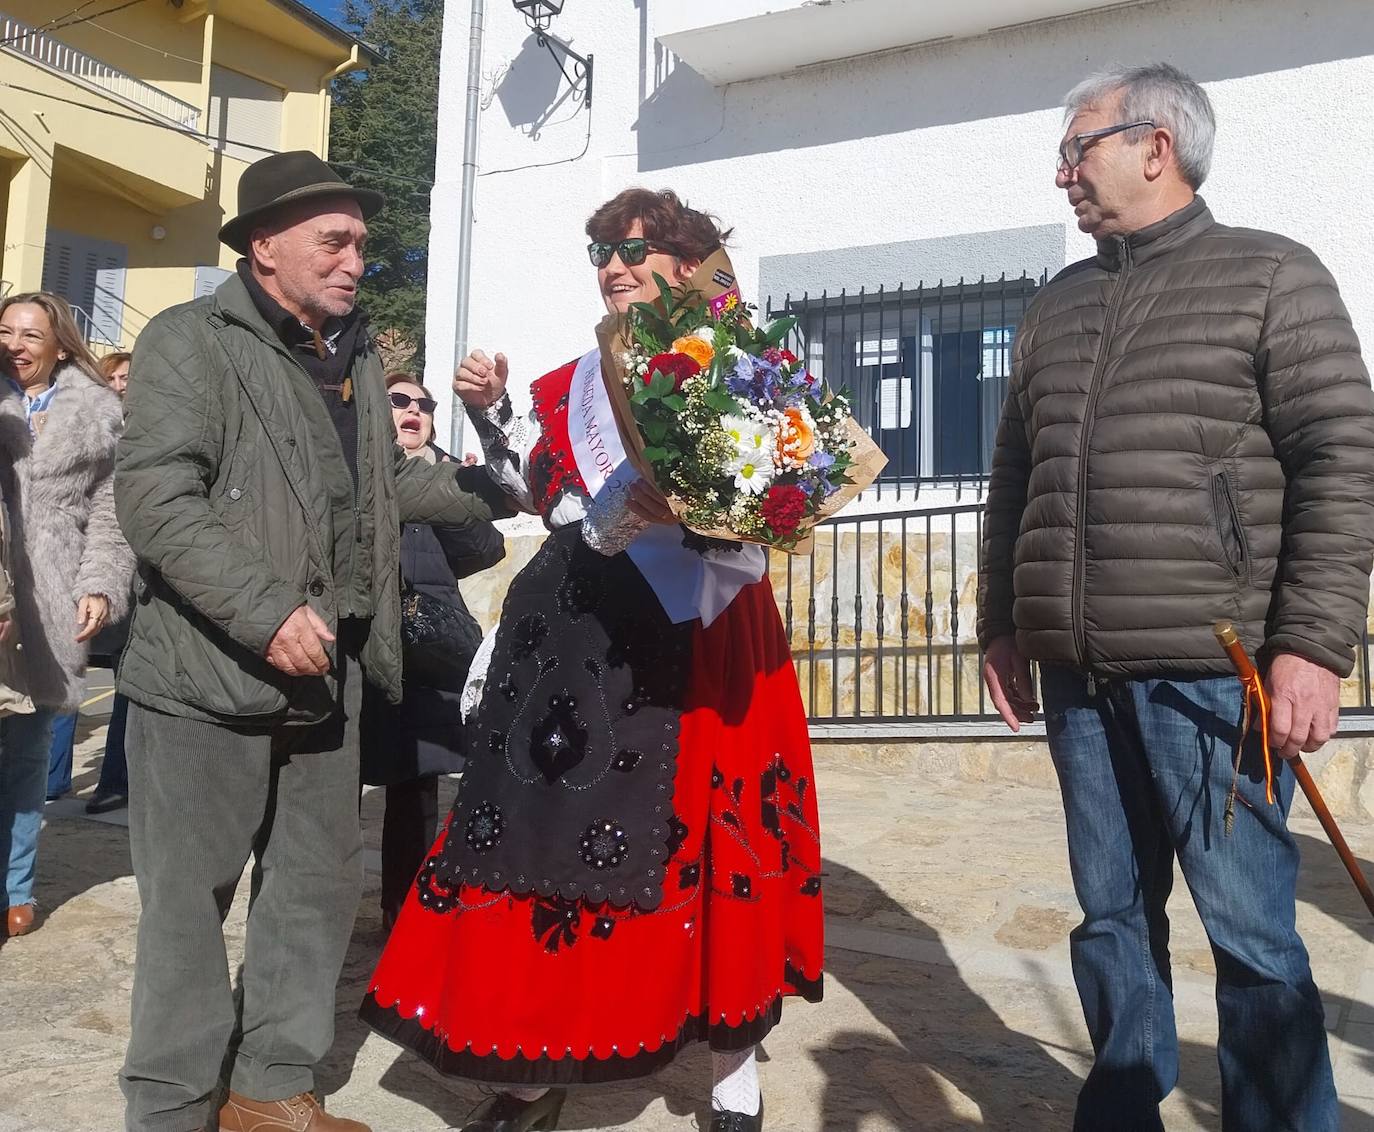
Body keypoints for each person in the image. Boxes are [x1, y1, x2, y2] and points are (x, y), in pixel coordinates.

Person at [360, 188, 824, 1132]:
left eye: (634, 248)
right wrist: (493, 415)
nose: (613, 265)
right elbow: (541, 492)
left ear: (688, 265)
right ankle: (531, 1058)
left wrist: (717, 509)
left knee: (715, 831)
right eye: (601, 252)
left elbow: (772, 493)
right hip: (574, 632)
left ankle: (733, 1066)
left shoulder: (748, 367)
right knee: (539, 836)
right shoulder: (574, 382)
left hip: (705, 627)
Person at [977, 63, 1374, 1131]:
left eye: (1080, 148)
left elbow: (1344, 458)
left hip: (1217, 677)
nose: (1063, 172)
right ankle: (1120, 1108)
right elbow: (1014, 474)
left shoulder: (1272, 276)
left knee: (1249, 931)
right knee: (1110, 918)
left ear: (1157, 147)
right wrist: (1001, 622)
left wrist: (1313, 646)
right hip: (1081, 675)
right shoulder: (1056, 303)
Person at [114, 151, 496, 1132]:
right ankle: (171, 1106)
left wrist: (506, 483)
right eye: (335, 239)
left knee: (313, 890)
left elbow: (383, 489)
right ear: (264, 245)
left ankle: (271, 1087)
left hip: (334, 679)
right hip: (205, 676)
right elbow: (157, 496)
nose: (355, 257)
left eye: (363, 241)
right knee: (188, 907)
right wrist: (263, 608)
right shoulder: (187, 341)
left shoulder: (358, 355)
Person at [0, 292, 134, 938]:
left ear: (59, 345)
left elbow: (111, 515)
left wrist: (101, 585)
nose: (17, 344)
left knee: (26, 756)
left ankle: (16, 885)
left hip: (47, 600)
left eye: (31, 334)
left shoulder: (98, 413)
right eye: (6, 332)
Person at [361, 373, 503, 931]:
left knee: (415, 786)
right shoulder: (359, 472)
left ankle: (403, 915)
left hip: (423, 650)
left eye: (423, 404)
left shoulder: (440, 476)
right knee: (336, 782)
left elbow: (484, 550)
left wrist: (453, 491)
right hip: (363, 645)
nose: (412, 411)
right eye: (398, 401)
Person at [86, 352, 135, 815]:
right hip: (101, 568)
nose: (121, 384)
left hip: (139, 573)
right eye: (114, 378)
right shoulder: (94, 427)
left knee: (129, 685)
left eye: (128, 376)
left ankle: (115, 781)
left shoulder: (149, 426)